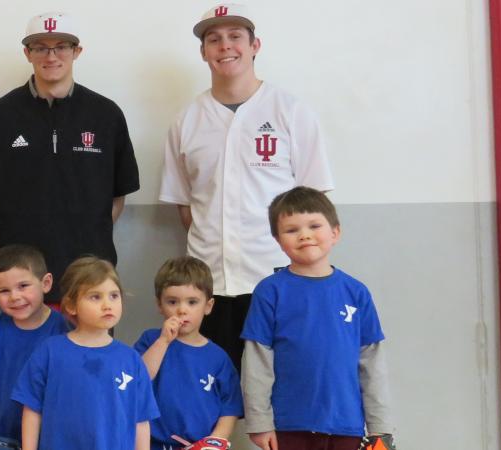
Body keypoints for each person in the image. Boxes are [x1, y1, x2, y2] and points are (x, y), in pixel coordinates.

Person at [158, 3, 335, 368]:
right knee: (215, 391)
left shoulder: (291, 111)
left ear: (255, 45)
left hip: (277, 278)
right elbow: (185, 208)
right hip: (208, 285)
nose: (225, 47)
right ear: (203, 51)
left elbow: (314, 202)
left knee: (279, 386)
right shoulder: (186, 121)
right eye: (214, 39)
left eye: (235, 36)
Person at [0, 12, 139, 305]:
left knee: (90, 350)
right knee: (26, 351)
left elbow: (117, 196)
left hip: (90, 276)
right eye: (40, 47)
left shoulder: (106, 114)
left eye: (61, 46)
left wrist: (88, 235)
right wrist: (15, 249)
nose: (51, 56)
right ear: (27, 53)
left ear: (77, 52)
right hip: (23, 281)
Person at [241, 187, 393, 450]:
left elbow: (372, 364)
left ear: (335, 232)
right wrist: (259, 421)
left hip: (347, 426)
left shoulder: (356, 292)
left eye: (314, 225)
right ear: (277, 239)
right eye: (292, 230)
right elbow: (257, 362)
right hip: (288, 426)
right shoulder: (270, 291)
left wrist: (380, 428)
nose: (305, 235)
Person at [14, 257, 159, 450]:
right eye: (95, 297)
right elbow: (32, 409)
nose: (107, 304)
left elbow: (141, 419)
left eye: (114, 296)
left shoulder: (131, 359)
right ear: (72, 306)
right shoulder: (50, 351)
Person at [0, 245, 68, 449]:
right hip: (0, 438)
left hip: (48, 438)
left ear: (46, 283)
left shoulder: (64, 329)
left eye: (23, 286)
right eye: (4, 290)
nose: (15, 297)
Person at [133, 257, 241, 450]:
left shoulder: (218, 358)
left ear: (208, 306)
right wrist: (163, 341)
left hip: (201, 446)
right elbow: (139, 379)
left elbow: (230, 407)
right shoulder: (151, 340)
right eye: (172, 302)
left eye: (192, 302)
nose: (182, 310)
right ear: (159, 305)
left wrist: (214, 442)